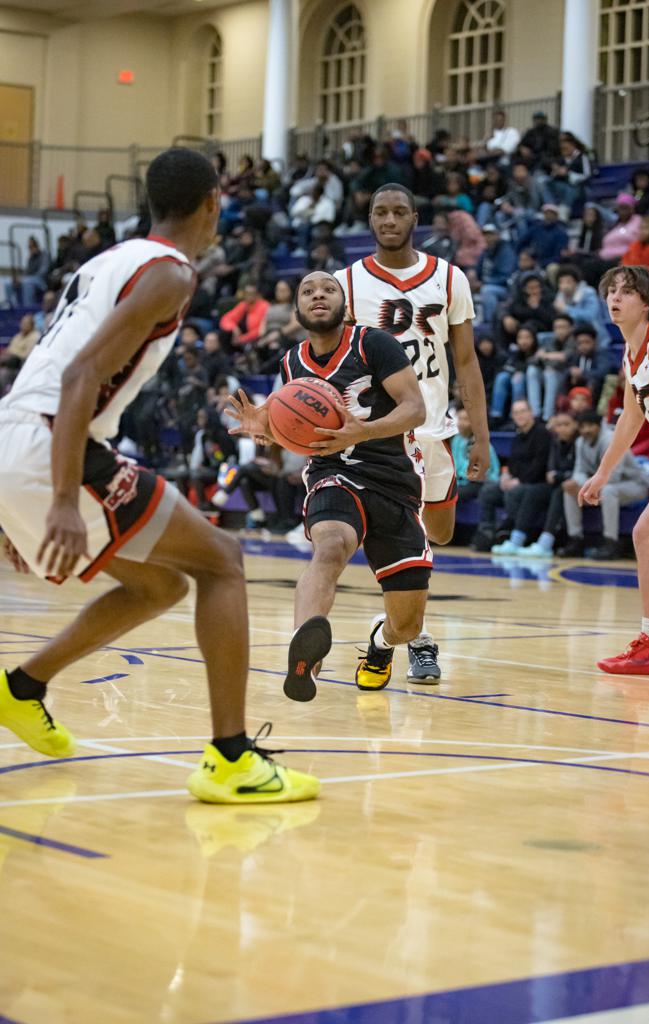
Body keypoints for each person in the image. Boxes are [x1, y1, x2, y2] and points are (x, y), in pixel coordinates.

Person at [0, 147, 318, 804]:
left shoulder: (107, 260)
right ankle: (231, 758)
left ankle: (22, 689)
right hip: (52, 439)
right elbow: (79, 375)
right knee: (223, 561)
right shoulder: (170, 273)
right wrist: (59, 497)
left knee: (159, 585)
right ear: (211, 202)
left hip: (19, 434)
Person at [227, 271, 429, 699]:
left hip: (393, 478)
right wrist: (266, 429)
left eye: (328, 289)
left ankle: (380, 642)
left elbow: (414, 409)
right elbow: (296, 426)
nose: (318, 294)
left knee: (407, 625)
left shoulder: (374, 344)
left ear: (344, 304)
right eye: (308, 291)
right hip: (332, 473)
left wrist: (364, 432)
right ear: (297, 310)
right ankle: (305, 655)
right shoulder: (291, 362)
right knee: (331, 544)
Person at [335, 183, 490, 680]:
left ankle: (395, 626)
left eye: (399, 211)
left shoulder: (449, 279)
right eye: (380, 212)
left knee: (440, 531)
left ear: (414, 218)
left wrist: (480, 435)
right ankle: (413, 637)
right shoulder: (348, 284)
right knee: (407, 536)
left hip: (436, 428)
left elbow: (465, 361)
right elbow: (331, 358)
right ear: (370, 219)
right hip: (380, 434)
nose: (389, 220)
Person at [580, 265, 649, 673]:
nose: (615, 298)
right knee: (648, 534)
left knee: (647, 533)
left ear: (648, 303)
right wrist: (603, 473)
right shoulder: (631, 353)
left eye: (626, 292)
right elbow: (630, 418)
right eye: (611, 291)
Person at [561, 409, 649, 560]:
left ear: (598, 426)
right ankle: (575, 539)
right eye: (582, 427)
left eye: (590, 426)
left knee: (609, 491)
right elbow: (579, 470)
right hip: (604, 485)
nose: (586, 430)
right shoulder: (580, 442)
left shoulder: (611, 439)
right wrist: (577, 484)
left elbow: (614, 477)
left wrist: (586, 487)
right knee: (570, 491)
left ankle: (611, 543)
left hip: (635, 485)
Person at [493, 410, 578, 557]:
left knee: (559, 493)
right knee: (532, 491)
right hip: (553, 485)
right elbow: (550, 473)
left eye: (566, 424)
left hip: (571, 486)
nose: (562, 428)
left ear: (575, 425)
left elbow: (574, 472)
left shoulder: (579, 443)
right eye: (559, 425)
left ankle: (545, 544)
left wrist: (559, 476)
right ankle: (517, 539)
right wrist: (558, 476)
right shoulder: (555, 442)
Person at [473, 399, 551, 551]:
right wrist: (506, 475)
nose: (519, 415)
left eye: (523, 411)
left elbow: (540, 465)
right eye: (516, 412)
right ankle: (487, 531)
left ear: (531, 413)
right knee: (488, 491)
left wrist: (519, 481)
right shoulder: (517, 436)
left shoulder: (542, 433)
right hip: (517, 481)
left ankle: (513, 533)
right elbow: (512, 462)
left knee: (513, 493)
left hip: (536, 483)